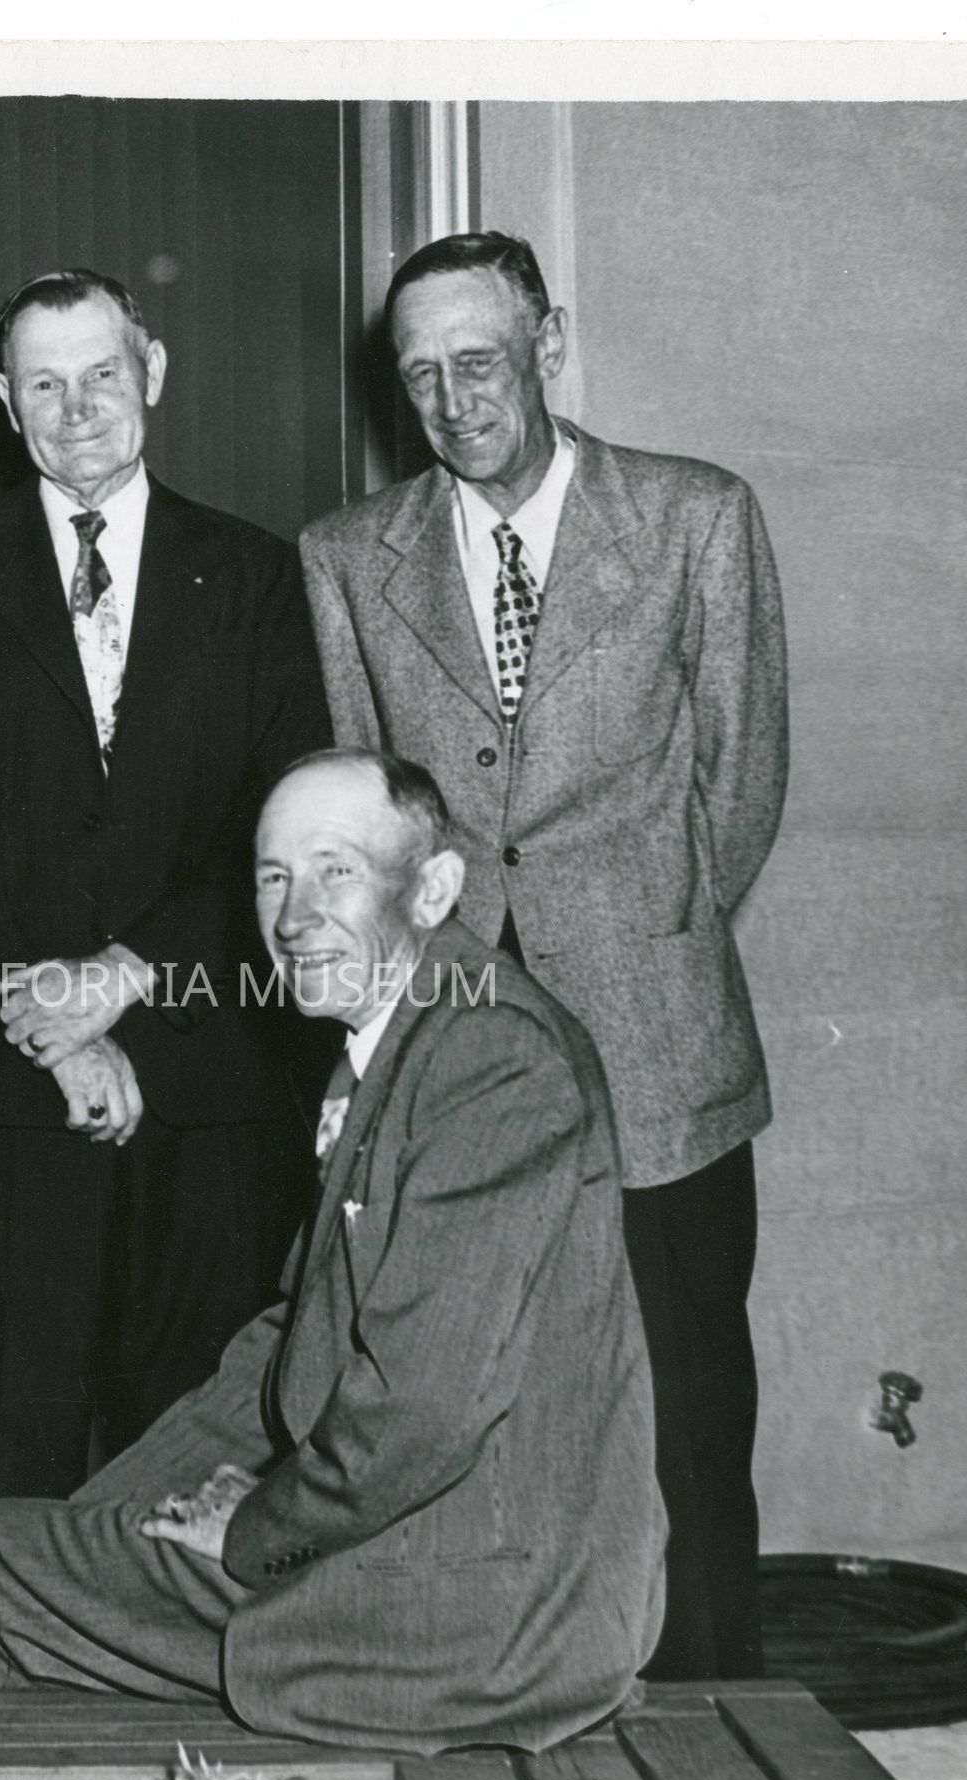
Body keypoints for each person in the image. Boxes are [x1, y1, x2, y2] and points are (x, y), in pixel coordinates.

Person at [0, 750, 664, 1753]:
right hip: (430, 1555)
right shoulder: (404, 1032)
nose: (293, 916)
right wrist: (118, 1509)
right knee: (50, 1546)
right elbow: (292, 1340)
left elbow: (420, 1406)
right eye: (273, 877)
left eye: (336, 871)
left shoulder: (493, 1058)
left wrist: (252, 1531)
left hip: (479, 1613)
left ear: (434, 888)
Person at [299, 232, 788, 1681]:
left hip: (658, 1040)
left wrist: (645, 931)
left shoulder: (697, 518)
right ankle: (528, 1694)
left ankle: (712, 1705)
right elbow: (369, 813)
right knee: (484, 1399)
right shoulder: (347, 558)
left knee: (687, 1403)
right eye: (421, 376)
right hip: (463, 1051)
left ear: (549, 345)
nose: (454, 403)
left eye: (482, 362)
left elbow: (742, 783)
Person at [0, 269, 332, 1507]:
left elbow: (285, 823)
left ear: (151, 372)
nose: (77, 410)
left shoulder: (259, 574)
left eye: (102, 375)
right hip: (0, 1087)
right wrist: (51, 1026)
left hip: (209, 1086)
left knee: (201, 1482)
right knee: (9, 1473)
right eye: (44, 385)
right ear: (5, 403)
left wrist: (125, 974)